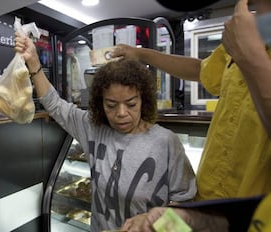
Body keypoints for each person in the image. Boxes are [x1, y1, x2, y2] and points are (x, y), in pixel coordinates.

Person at [110, 0, 271, 230]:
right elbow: (201, 69)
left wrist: (250, 57)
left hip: (254, 215)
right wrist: (139, 53)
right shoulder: (253, 29)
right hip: (208, 203)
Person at [14, 34, 197, 231]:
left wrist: (152, 224)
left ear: (143, 100)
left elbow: (187, 206)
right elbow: (55, 105)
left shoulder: (166, 142)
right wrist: (33, 62)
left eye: (131, 104)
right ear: (100, 104)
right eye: (111, 105)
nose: (121, 113)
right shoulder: (94, 129)